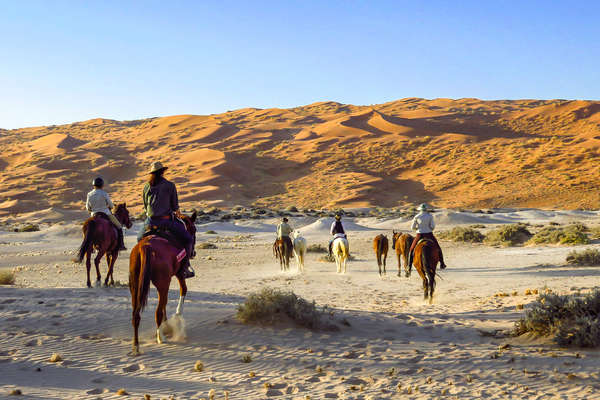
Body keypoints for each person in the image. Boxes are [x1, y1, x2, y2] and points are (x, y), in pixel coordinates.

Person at [137, 161, 195, 278]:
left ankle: (139, 266)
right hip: (166, 221)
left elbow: (145, 205)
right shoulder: (169, 185)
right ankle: (185, 268)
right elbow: (175, 206)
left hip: (150, 221)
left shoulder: (146, 186)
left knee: (139, 239)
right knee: (188, 240)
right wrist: (178, 213)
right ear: (163, 172)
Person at [86, 177, 126, 251]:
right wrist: (109, 207)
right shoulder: (104, 193)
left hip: (94, 215)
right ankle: (121, 244)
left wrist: (92, 210)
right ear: (102, 185)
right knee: (119, 227)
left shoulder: (89, 194)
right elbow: (111, 205)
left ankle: (89, 246)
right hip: (106, 214)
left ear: (93, 185)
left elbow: (88, 207)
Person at [407, 203, 447, 269]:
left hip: (419, 235)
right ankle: (442, 263)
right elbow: (432, 227)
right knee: (438, 247)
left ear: (420, 209)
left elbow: (412, 227)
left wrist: (418, 228)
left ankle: (409, 266)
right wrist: (428, 228)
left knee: (412, 249)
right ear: (426, 209)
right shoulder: (430, 216)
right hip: (429, 234)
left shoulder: (417, 216)